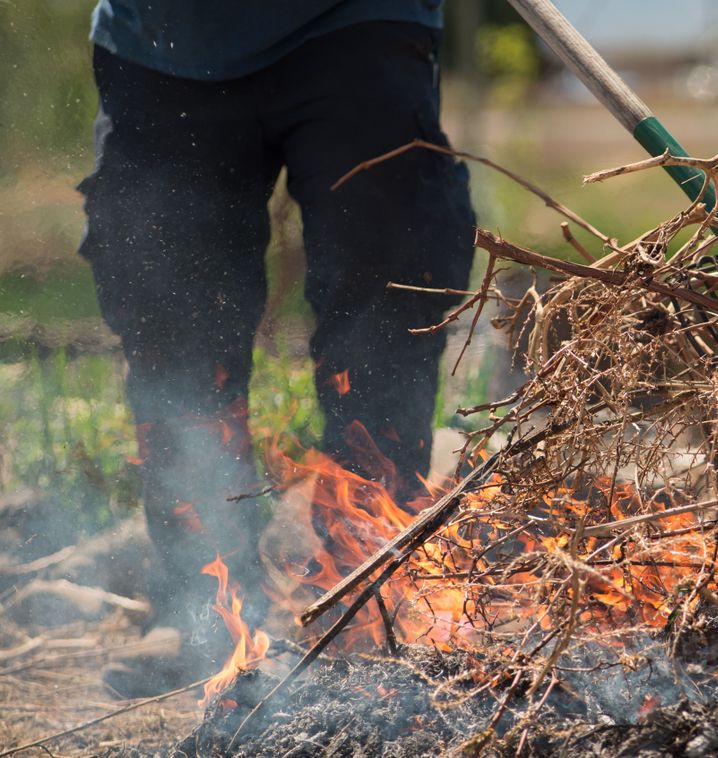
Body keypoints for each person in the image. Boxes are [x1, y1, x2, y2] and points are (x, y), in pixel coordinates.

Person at [79, 2, 476, 698]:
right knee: (174, 321)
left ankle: (366, 595)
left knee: (386, 298)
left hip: (356, 21)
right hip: (164, 41)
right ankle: (204, 607)